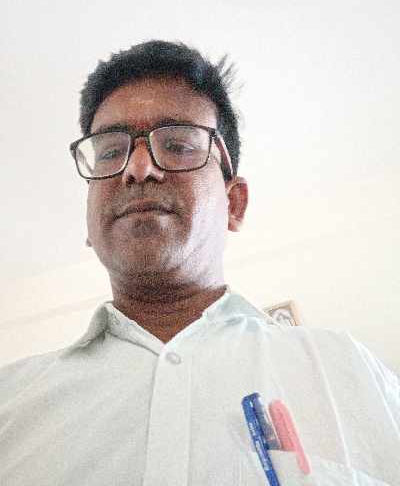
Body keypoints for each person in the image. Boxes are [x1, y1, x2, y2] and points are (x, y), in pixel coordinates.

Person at [0, 40, 399, 486]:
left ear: (235, 204)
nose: (138, 168)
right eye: (110, 152)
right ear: (89, 223)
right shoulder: (9, 402)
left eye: (177, 144)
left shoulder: (346, 371)